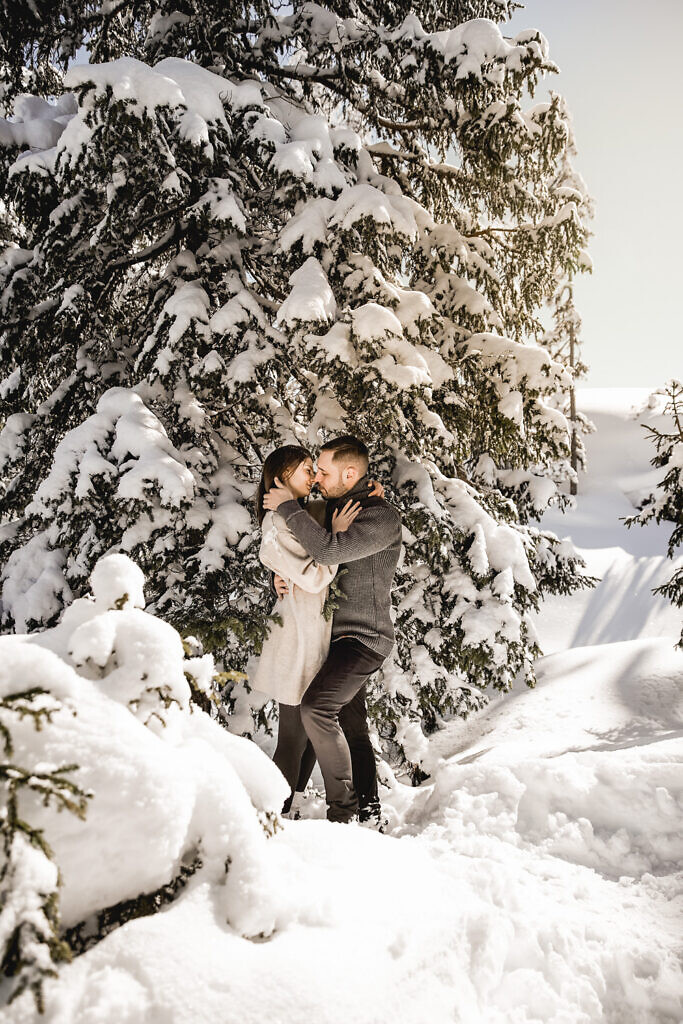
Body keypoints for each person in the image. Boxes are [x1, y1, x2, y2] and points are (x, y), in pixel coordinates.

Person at [263, 436, 402, 825]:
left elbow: (325, 551)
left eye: (323, 471)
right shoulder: (336, 504)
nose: (318, 478)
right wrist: (275, 575)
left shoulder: (379, 516)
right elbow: (294, 549)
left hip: (363, 638)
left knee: (318, 708)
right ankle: (366, 812)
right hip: (332, 640)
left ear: (350, 473)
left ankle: (349, 812)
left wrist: (288, 507)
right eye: (316, 471)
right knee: (351, 724)